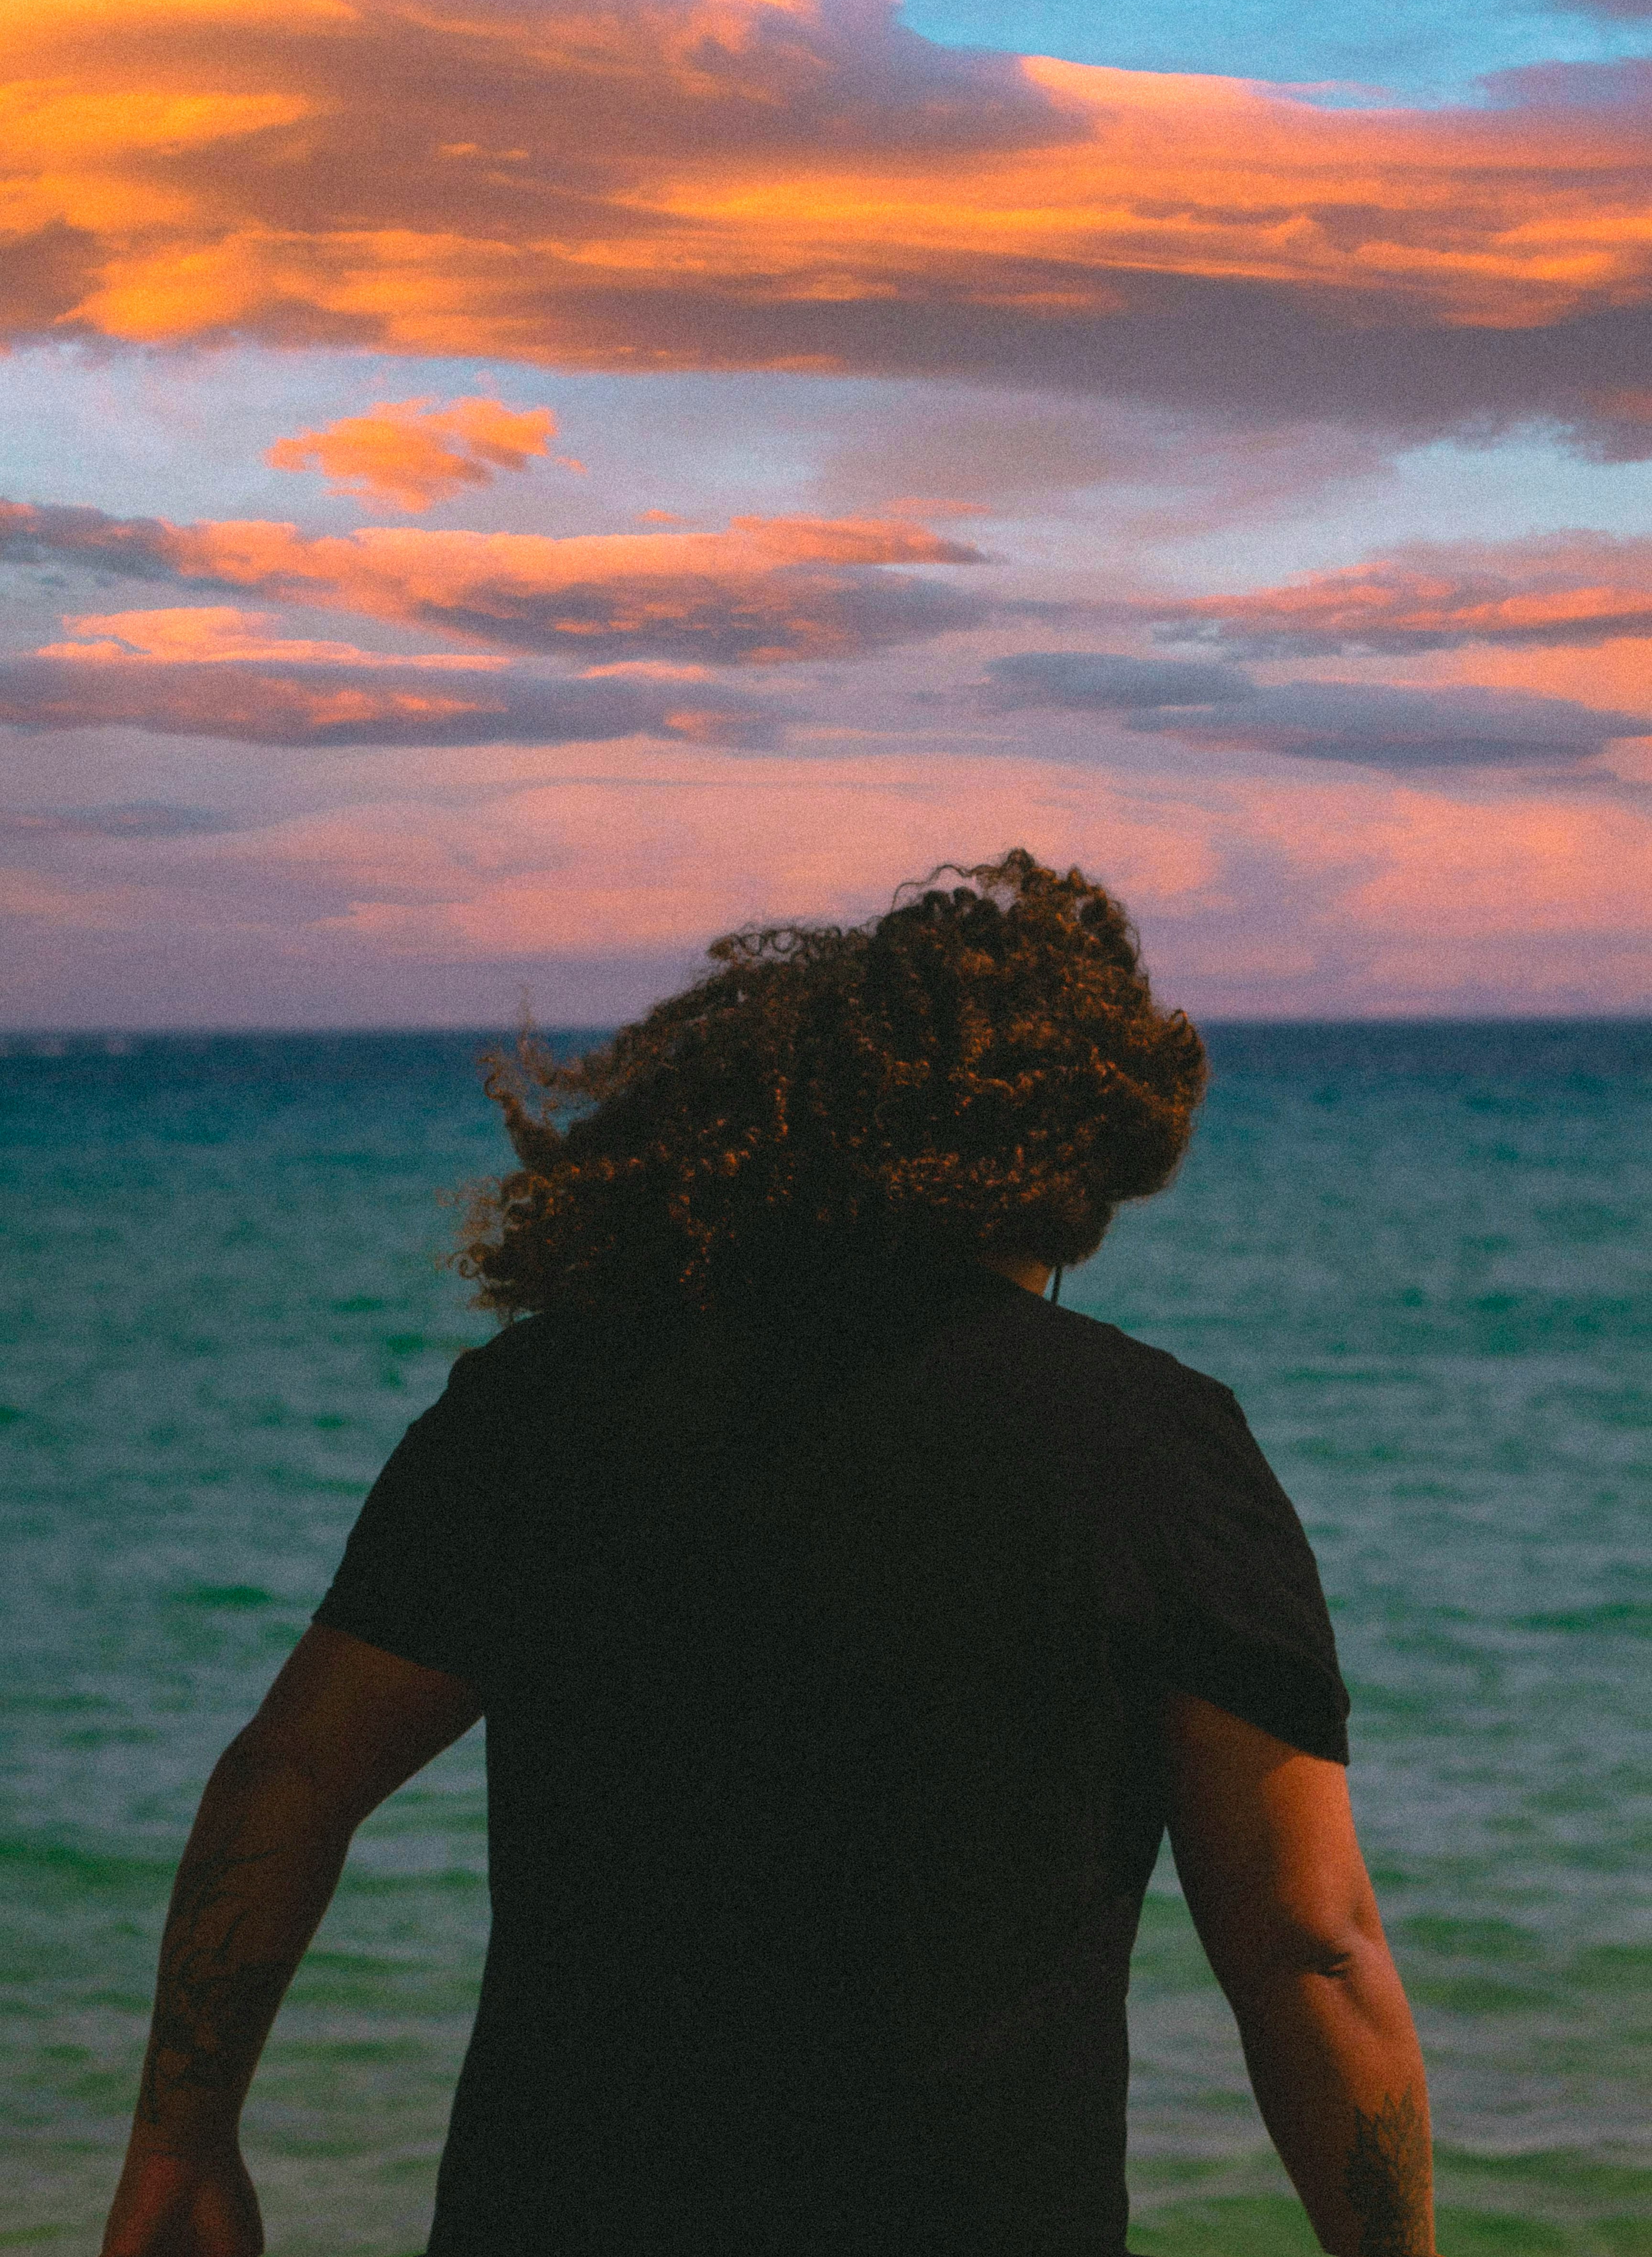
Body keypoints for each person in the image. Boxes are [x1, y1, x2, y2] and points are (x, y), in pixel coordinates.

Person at [101, 851, 1436, 2257]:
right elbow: (1308, 1946)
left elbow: (291, 1775)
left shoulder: (549, 1402)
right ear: (1072, 1174)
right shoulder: (1156, 1450)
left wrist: (180, 2146)